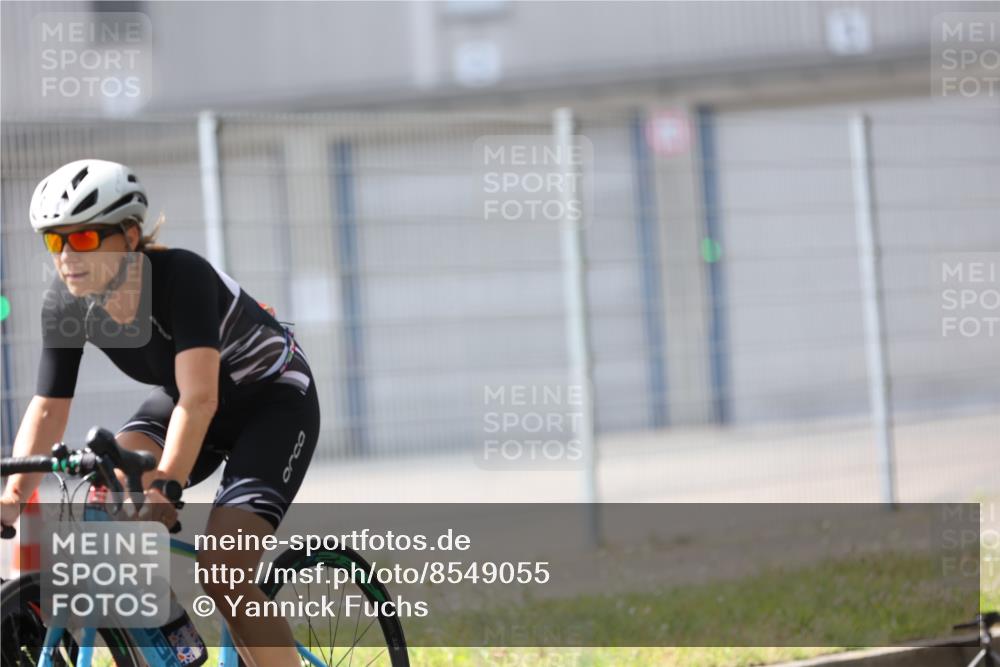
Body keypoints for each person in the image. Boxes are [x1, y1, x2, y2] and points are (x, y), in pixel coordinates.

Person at [0, 159, 319, 667]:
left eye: (81, 240)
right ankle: (177, 649)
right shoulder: (65, 304)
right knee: (106, 496)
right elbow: (48, 410)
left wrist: (167, 480)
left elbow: (201, 400)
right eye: (54, 242)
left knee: (224, 570)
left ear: (129, 236)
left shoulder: (180, 276)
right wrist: (14, 496)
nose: (66, 258)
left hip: (271, 400)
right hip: (191, 397)